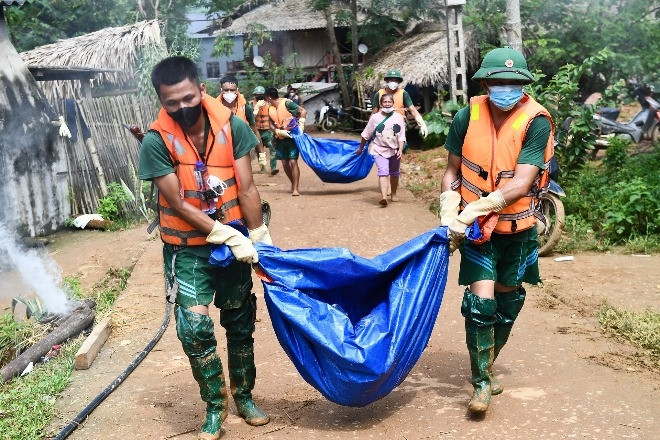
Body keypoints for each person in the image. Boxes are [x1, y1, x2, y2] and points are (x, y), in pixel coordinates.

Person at [138, 56, 272, 440]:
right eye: (171, 103)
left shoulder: (234, 127)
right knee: (194, 329)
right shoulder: (155, 142)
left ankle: (243, 396)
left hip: (233, 247)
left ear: (201, 89)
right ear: (162, 102)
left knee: (239, 321)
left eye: (186, 97)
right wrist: (225, 234)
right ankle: (215, 406)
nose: (181, 108)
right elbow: (178, 203)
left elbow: (246, 188)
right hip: (189, 250)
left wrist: (258, 235)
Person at [439, 46, 554, 415]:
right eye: (499, 81)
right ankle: (481, 384)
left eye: (513, 82)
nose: (506, 87)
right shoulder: (465, 117)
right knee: (480, 302)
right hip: (477, 232)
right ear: (486, 82)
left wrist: (478, 206)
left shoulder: (536, 121)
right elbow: (452, 171)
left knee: (508, 299)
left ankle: (487, 362)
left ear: (523, 85)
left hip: (517, 226)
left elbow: (522, 183)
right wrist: (448, 206)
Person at [356, 93, 406, 206]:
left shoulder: (398, 117)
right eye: (385, 102)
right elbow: (366, 134)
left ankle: (393, 193)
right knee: (383, 172)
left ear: (393, 103)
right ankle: (384, 197)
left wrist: (400, 149)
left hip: (394, 149)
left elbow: (401, 136)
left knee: (394, 173)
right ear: (381, 104)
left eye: (389, 102)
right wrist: (360, 148)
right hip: (379, 149)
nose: (387, 104)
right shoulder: (375, 118)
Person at [217, 75, 268, 173]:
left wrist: (261, 153)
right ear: (221, 90)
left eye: (232, 90)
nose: (229, 93)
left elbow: (254, 130)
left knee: (243, 177)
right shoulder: (214, 108)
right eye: (226, 90)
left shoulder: (245, 108)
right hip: (221, 148)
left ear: (237, 90)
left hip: (241, 148)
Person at [265, 86, 307, 196]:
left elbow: (302, 111)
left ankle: (296, 188)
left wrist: (301, 126)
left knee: (293, 161)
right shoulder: (270, 109)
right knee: (284, 163)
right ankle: (293, 183)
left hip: (292, 138)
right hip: (280, 139)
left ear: (269, 98)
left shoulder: (287, 103)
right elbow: (270, 124)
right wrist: (277, 131)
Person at [372, 69, 428, 139]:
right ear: (387, 81)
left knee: (400, 147)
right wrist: (371, 127)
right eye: (391, 80)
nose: (393, 82)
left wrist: (421, 123)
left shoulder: (403, 94)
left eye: (395, 80)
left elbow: (413, 110)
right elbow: (374, 113)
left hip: (399, 128)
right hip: (382, 128)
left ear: (399, 82)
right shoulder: (379, 94)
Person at [251, 86, 279, 176]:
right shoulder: (251, 105)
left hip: (267, 131)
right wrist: (256, 108)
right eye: (257, 95)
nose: (259, 97)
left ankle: (273, 167)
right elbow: (250, 118)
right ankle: (263, 168)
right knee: (259, 150)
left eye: (261, 95)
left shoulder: (269, 104)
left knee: (272, 147)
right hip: (256, 131)